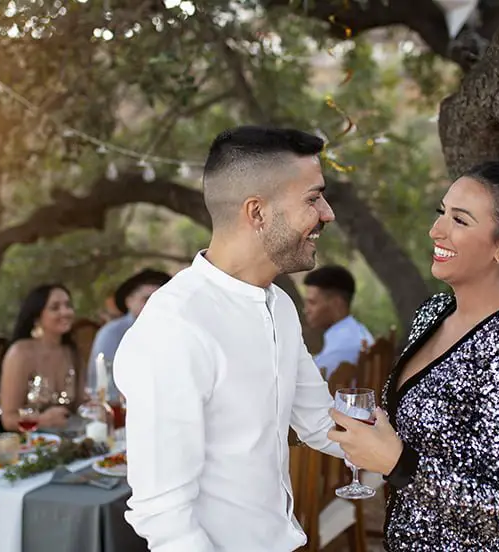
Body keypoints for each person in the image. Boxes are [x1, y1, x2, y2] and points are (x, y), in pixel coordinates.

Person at [113, 126, 344, 552]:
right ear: (256, 212)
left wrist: (410, 453)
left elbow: (321, 421)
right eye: (313, 198)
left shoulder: (279, 306)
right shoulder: (175, 327)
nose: (327, 213)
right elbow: (163, 516)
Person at [327, 155, 499, 551]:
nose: (436, 230)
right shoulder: (433, 312)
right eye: (441, 212)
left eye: (460, 220)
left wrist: (399, 464)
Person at [0, 284, 82, 436]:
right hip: (26, 445)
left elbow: (79, 405)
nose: (65, 312)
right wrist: (42, 420)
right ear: (37, 317)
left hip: (66, 440)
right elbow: (8, 419)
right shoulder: (20, 353)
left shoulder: (71, 352)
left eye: (68, 305)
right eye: (55, 308)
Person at [86, 268, 171, 399]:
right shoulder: (112, 333)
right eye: (147, 299)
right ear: (129, 301)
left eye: (160, 299)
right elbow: (103, 381)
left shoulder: (172, 332)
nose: (154, 305)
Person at [303, 264, 374, 378]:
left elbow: (308, 378)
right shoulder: (358, 331)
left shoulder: (343, 345)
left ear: (337, 303)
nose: (306, 310)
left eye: (312, 303)